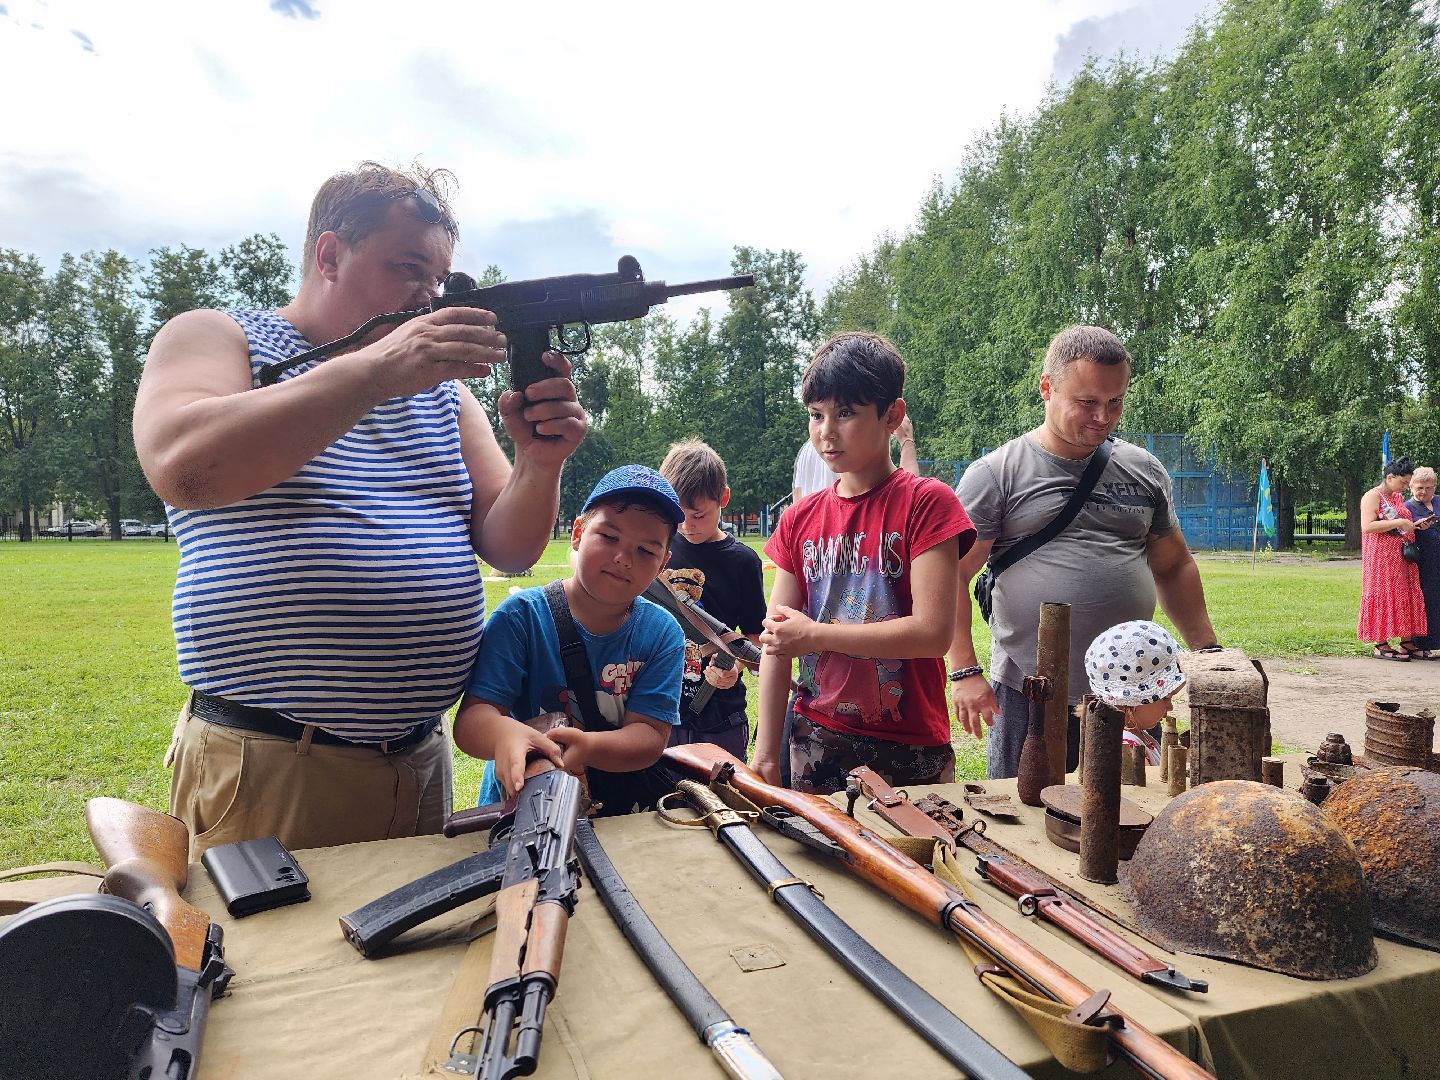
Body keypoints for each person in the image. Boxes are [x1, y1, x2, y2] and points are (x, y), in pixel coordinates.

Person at [133, 161, 586, 855]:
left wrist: (540, 461)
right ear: (329, 254)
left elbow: (510, 546)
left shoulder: (442, 393)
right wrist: (377, 371)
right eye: (408, 268)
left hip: (417, 759)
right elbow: (183, 466)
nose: (427, 297)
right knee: (274, 965)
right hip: (272, 762)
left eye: (436, 280)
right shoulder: (220, 337)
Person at [948, 324, 1218, 780]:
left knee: (1127, 814)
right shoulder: (996, 474)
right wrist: (963, 672)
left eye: (1115, 402)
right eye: (1087, 402)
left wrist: (1209, 653)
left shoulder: (1143, 469)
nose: (1103, 417)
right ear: (1046, 388)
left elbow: (1172, 567)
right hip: (1029, 691)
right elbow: (951, 575)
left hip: (1129, 692)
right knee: (1026, 820)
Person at [754, 332, 975, 795]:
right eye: (816, 415)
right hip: (814, 736)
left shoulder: (926, 503)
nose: (826, 432)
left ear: (892, 415)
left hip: (908, 743)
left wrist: (815, 635)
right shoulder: (799, 519)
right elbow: (776, 640)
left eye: (846, 413)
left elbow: (932, 633)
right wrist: (766, 754)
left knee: (915, 863)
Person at [454, 466, 686, 812]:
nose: (623, 558)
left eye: (645, 551)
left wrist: (589, 746)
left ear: (663, 563)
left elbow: (650, 737)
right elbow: (473, 721)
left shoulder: (663, 633)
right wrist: (505, 734)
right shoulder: (521, 616)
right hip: (516, 808)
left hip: (617, 816)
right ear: (578, 533)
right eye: (609, 537)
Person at [657, 439, 767, 760]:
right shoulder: (656, 549)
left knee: (725, 801)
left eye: (698, 515)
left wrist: (735, 669)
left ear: (724, 499)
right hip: (660, 711)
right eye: (679, 515)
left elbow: (753, 641)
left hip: (721, 715)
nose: (688, 526)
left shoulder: (742, 561)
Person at [1359, 457, 1429, 660]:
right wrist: (1399, 521)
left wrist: (1415, 524)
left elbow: (1400, 522)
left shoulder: (1396, 497)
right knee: (1383, 592)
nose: (1406, 487)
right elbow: (1367, 526)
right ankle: (1380, 643)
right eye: (1404, 482)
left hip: (1403, 555)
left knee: (1404, 593)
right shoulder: (1372, 496)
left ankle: (1406, 641)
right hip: (1381, 556)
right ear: (1390, 477)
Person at [1404, 467, 1440, 659]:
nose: (1424, 492)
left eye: (1428, 488)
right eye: (1420, 488)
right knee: (1426, 600)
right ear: (1411, 487)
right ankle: (1421, 644)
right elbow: (1401, 532)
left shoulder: (1439, 501)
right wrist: (1416, 527)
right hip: (1423, 560)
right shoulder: (1408, 507)